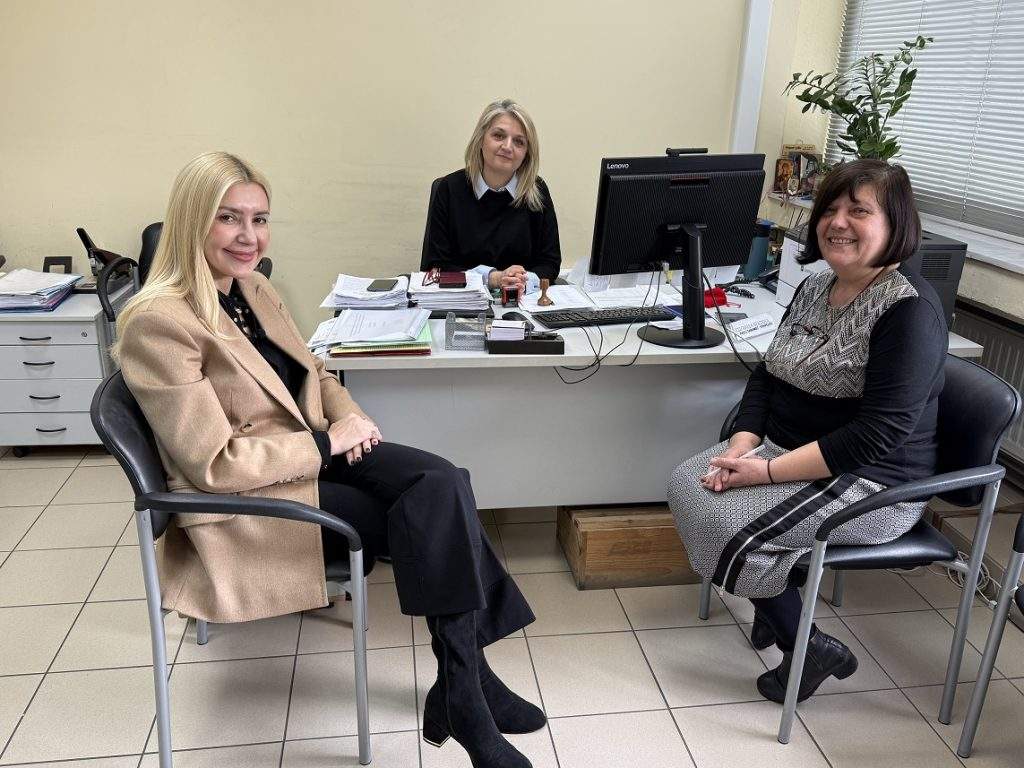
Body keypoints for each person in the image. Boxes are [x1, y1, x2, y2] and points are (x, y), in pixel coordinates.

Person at [113, 152, 541, 768]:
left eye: (260, 219)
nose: (249, 236)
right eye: (229, 218)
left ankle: (463, 686)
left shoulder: (253, 288)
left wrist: (348, 418)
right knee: (433, 508)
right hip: (250, 500)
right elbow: (215, 464)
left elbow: (315, 371)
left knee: (445, 481)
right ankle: (467, 694)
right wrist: (325, 444)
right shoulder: (159, 324)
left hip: (309, 453)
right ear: (191, 221)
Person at [668, 159, 947, 704]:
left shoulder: (910, 311)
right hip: (789, 453)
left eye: (859, 211)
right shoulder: (818, 285)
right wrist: (742, 445)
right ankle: (779, 605)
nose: (837, 222)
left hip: (871, 481)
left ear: (896, 224)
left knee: (729, 524)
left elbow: (876, 435)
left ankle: (806, 647)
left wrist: (765, 473)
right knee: (688, 483)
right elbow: (768, 377)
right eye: (830, 210)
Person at [423, 98, 560, 296]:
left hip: (522, 302)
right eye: (498, 135)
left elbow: (550, 262)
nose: (508, 146)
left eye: (519, 142)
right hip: (462, 301)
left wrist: (522, 280)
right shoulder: (449, 189)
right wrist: (493, 278)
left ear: (526, 154)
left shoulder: (536, 191)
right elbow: (437, 266)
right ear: (480, 139)